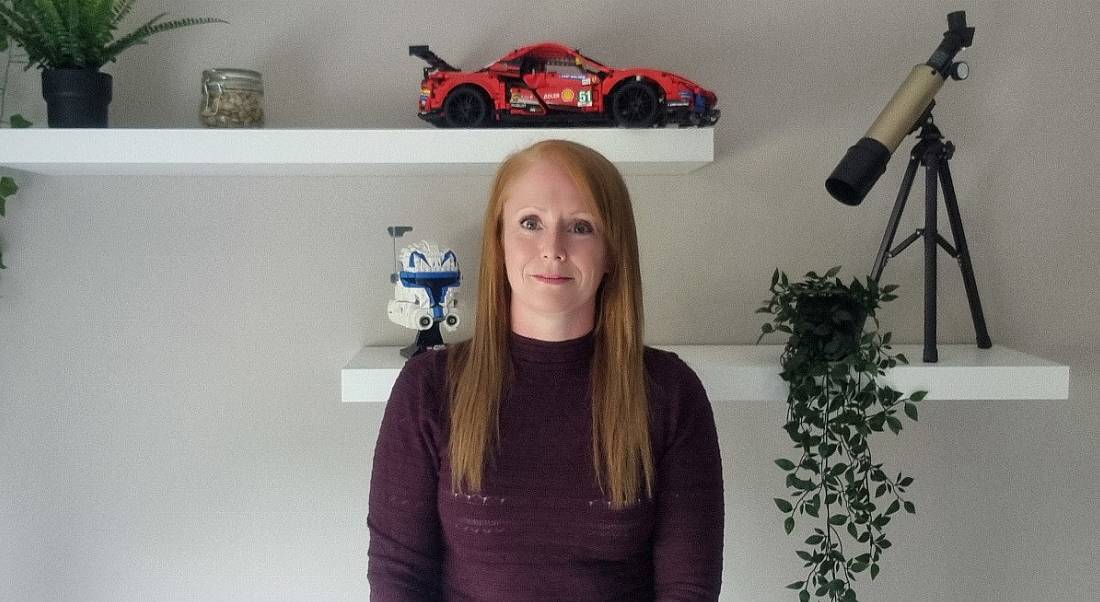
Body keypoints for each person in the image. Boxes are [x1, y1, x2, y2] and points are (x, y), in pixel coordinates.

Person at [367, 139, 724, 601]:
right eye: (530, 223)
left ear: (612, 252)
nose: (552, 248)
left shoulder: (670, 393)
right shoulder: (429, 389)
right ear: (498, 241)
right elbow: (400, 579)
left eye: (580, 227)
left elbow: (688, 589)